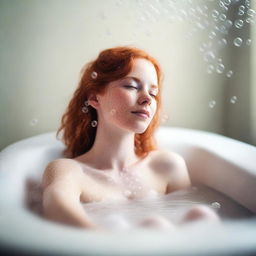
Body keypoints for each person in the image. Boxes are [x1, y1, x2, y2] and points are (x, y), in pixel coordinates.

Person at [42, 46, 219, 231]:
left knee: (202, 214)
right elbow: (55, 207)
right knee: (155, 226)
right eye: (131, 86)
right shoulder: (70, 171)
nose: (147, 100)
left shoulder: (168, 166)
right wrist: (116, 244)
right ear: (94, 97)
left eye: (153, 93)